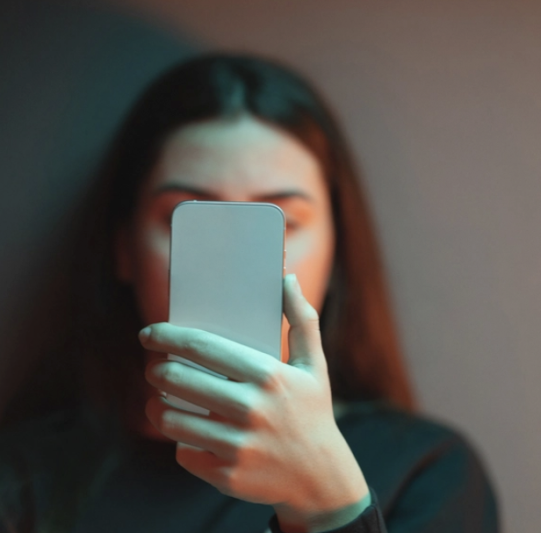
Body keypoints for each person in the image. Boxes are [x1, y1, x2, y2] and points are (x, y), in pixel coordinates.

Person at [0, 53, 499, 533]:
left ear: (337, 251)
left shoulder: (427, 474)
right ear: (123, 251)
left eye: (278, 222)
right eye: (189, 217)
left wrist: (327, 505)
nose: (235, 262)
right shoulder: (23, 476)